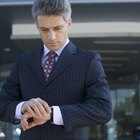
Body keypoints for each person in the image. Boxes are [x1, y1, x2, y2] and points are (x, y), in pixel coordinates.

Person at [0, 0, 112, 139]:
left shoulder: (89, 61)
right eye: (44, 30)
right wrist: (23, 107)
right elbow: (2, 104)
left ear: (69, 24)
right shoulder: (23, 62)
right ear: (37, 26)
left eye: (57, 28)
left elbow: (103, 109)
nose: (51, 37)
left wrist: (52, 114)